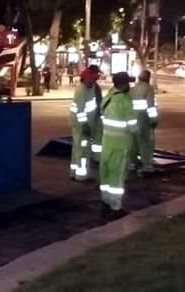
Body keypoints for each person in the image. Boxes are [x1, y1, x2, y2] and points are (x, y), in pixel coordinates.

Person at [98, 72, 138, 215]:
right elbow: (133, 126)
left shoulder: (108, 97)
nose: (129, 86)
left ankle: (105, 201)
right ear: (124, 84)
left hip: (107, 141)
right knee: (117, 175)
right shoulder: (124, 100)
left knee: (106, 173)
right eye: (128, 83)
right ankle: (115, 206)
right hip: (120, 144)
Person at [68, 67, 101, 181]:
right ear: (86, 79)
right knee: (83, 150)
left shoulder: (90, 88)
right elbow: (80, 110)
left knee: (77, 148)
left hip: (84, 123)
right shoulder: (82, 91)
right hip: (82, 125)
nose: (93, 81)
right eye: (92, 79)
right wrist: (84, 125)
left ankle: (74, 172)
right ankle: (81, 176)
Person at [129, 69, 159, 174]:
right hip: (144, 120)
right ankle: (147, 166)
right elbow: (150, 106)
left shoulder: (133, 89)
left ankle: (132, 164)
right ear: (148, 78)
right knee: (146, 143)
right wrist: (153, 119)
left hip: (133, 121)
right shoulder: (148, 88)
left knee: (133, 144)